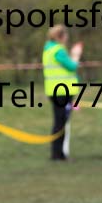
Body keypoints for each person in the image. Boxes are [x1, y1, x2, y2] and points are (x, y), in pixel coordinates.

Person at [42, 25, 82, 161]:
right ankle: (58, 154)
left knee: (59, 121)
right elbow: (71, 66)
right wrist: (76, 56)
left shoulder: (48, 49)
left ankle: (57, 154)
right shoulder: (58, 50)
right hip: (62, 91)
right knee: (61, 123)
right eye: (65, 36)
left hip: (54, 90)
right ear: (61, 36)